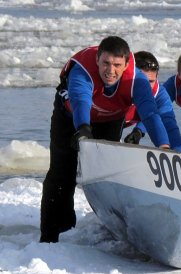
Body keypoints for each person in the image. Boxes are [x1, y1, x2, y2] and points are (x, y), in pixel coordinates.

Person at [40, 36, 171, 243]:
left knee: (105, 173)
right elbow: (81, 100)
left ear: (127, 64)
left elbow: (150, 114)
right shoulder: (82, 71)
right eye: (106, 63)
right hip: (71, 117)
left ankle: (106, 226)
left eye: (117, 65)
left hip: (110, 120)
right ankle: (52, 235)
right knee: (62, 173)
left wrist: (164, 146)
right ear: (98, 60)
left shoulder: (136, 80)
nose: (111, 71)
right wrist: (83, 129)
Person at [123, 51, 181, 152]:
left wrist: (179, 155)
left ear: (157, 77)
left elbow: (169, 128)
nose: (146, 87)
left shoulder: (160, 96)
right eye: (142, 80)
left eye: (151, 81)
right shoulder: (118, 86)